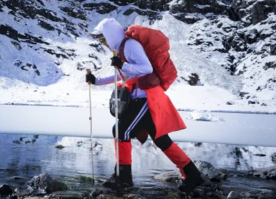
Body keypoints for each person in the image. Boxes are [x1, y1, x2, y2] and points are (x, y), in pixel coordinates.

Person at [86, 18, 204, 193]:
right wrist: (97, 81)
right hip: (142, 97)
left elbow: (146, 68)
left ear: (110, 35)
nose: (101, 42)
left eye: (102, 38)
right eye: (99, 39)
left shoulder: (130, 45)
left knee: (121, 130)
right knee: (161, 139)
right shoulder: (120, 49)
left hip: (145, 98)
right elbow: (122, 75)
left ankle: (124, 179)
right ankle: (193, 176)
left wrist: (123, 64)